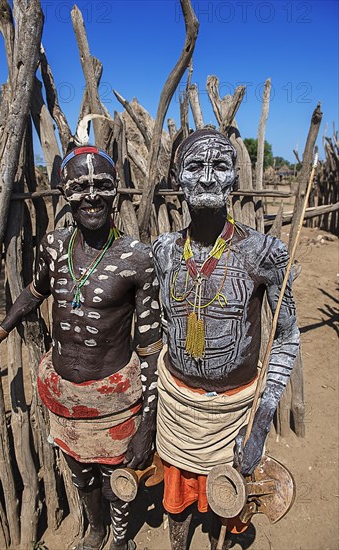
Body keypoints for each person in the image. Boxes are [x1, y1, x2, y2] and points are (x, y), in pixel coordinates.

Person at [0, 139, 162, 550]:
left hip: (114, 396)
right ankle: (95, 531)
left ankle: (118, 540)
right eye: (80, 186)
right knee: (81, 471)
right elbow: (32, 293)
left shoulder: (136, 259)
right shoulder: (53, 247)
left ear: (116, 189)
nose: (91, 195)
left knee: (118, 476)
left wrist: (147, 421)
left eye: (101, 184)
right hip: (65, 395)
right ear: (65, 193)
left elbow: (150, 347)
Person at [152, 128, 300, 549]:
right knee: (176, 506)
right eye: (195, 166)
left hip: (237, 411)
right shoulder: (163, 251)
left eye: (219, 166)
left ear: (235, 177)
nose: (206, 177)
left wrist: (262, 418)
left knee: (231, 502)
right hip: (178, 409)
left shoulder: (264, 253)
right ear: (178, 178)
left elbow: (287, 337)